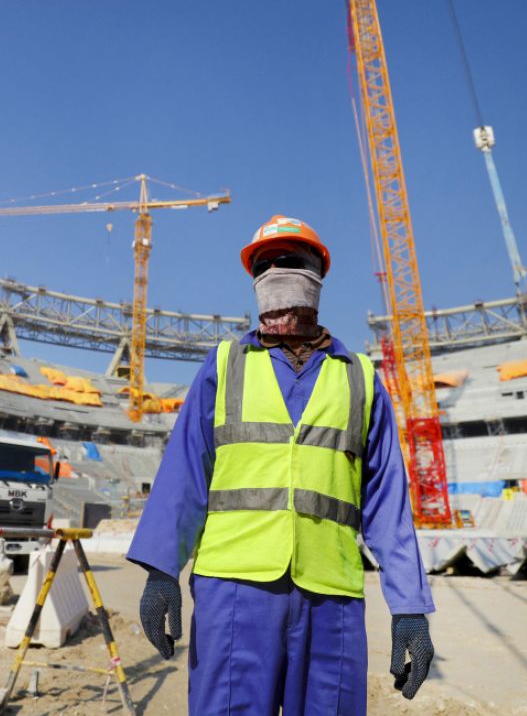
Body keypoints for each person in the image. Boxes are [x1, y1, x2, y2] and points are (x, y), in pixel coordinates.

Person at [127, 215, 435, 715]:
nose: (278, 271)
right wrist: (161, 571)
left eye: (292, 261)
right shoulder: (224, 365)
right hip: (233, 589)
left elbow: (387, 505)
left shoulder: (359, 378)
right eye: (265, 265)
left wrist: (410, 608)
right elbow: (184, 474)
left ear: (318, 275)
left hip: (330, 597)